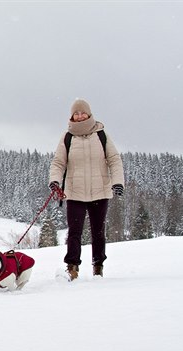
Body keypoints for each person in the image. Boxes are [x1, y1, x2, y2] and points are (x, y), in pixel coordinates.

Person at [49, 98, 124, 281]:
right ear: (72, 116)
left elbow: (114, 159)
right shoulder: (67, 137)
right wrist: (55, 181)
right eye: (77, 113)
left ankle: (98, 266)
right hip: (75, 192)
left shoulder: (101, 134)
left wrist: (118, 183)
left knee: (98, 231)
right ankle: (72, 267)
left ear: (89, 114)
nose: (80, 115)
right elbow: (58, 163)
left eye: (83, 112)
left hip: (100, 191)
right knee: (74, 231)